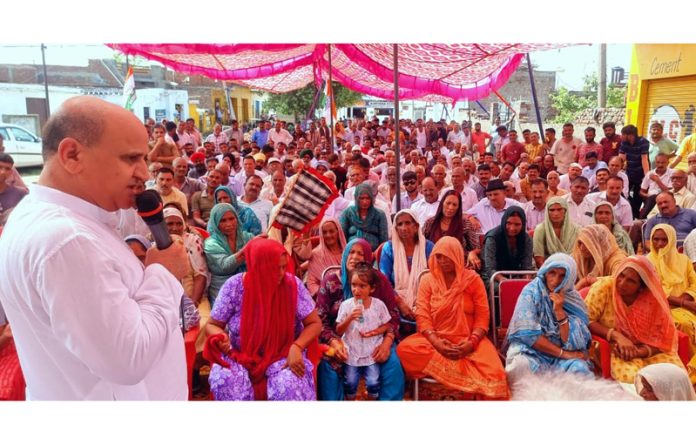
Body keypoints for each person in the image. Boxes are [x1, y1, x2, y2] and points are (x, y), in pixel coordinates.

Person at [0, 96, 189, 400]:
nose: (144, 173)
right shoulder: (66, 240)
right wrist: (163, 274)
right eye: (131, 159)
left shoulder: (49, 219)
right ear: (72, 155)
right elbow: (129, 358)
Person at [204, 238, 321, 400]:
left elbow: (314, 323)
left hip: (282, 354)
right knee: (226, 380)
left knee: (289, 384)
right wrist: (222, 337)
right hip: (240, 354)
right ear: (259, 267)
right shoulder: (234, 286)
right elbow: (212, 324)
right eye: (275, 268)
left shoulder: (292, 285)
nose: (282, 273)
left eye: (283, 267)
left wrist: (297, 346)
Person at [397, 237, 510, 399]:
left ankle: (454, 370)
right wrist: (437, 342)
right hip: (435, 340)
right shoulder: (427, 280)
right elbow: (422, 316)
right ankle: (468, 375)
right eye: (438, 256)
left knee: (495, 373)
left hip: (469, 340)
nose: (442, 261)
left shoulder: (472, 280)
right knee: (405, 350)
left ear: (457, 256)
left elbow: (482, 316)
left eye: (447, 256)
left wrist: (471, 343)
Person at [316, 238, 404, 400]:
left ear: (368, 260)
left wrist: (386, 342)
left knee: (392, 365)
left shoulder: (378, 281)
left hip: (376, 339)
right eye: (351, 252)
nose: (355, 257)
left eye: (361, 254)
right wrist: (334, 342)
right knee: (328, 365)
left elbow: (393, 316)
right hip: (341, 340)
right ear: (344, 255)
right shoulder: (330, 282)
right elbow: (320, 320)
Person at [585, 256, 685, 383]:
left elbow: (662, 339)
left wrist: (639, 352)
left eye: (631, 281)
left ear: (641, 287)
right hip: (616, 349)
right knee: (634, 380)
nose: (621, 283)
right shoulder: (604, 287)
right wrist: (617, 336)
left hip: (648, 350)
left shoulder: (652, 298)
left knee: (676, 377)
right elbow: (586, 320)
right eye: (621, 275)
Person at [505, 254, 593, 381]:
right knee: (519, 367)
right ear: (545, 272)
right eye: (552, 273)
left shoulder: (574, 302)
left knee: (579, 369)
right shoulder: (531, 292)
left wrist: (559, 311)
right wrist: (565, 354)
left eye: (563, 276)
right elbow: (527, 335)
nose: (556, 280)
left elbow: (570, 341)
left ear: (570, 278)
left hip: (561, 359)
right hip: (530, 352)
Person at [646, 224, 696, 383]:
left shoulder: (684, 260)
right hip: (660, 308)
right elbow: (655, 289)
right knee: (685, 324)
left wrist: (686, 299)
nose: (659, 244)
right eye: (656, 239)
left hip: (685, 305)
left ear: (672, 240)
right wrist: (682, 302)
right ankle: (689, 370)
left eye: (664, 240)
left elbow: (694, 283)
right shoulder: (647, 262)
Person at [336, 264, 392, 400]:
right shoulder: (346, 305)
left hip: (371, 352)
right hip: (352, 352)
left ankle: (373, 398)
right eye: (354, 285)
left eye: (362, 286)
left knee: (373, 382)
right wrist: (349, 318)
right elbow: (338, 330)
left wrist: (375, 332)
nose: (357, 290)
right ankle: (350, 398)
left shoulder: (378, 305)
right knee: (350, 382)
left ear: (372, 288)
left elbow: (387, 325)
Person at [379, 209, 434, 323]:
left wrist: (422, 303)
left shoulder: (428, 247)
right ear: (396, 229)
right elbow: (384, 280)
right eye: (399, 224)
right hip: (395, 302)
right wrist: (399, 302)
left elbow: (436, 278)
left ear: (416, 226)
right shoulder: (389, 248)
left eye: (408, 223)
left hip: (425, 300)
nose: (404, 228)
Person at [204, 203, 254, 305]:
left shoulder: (247, 237)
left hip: (248, 286)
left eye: (232, 218)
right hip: (222, 290)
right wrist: (250, 247)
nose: (229, 224)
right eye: (223, 221)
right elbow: (225, 266)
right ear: (215, 223)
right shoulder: (211, 244)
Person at [422, 190, 481, 269]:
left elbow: (477, 247)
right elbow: (421, 243)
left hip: (459, 266)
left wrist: (472, 253)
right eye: (448, 203)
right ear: (442, 203)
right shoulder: (430, 223)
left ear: (458, 207)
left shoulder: (465, 223)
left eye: (454, 205)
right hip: (434, 265)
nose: (450, 207)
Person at [483, 206, 534, 284]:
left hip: (515, 275)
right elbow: (489, 268)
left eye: (517, 224)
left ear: (523, 225)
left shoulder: (526, 239)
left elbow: (526, 267)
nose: (512, 228)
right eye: (509, 223)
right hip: (492, 277)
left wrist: (526, 282)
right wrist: (503, 281)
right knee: (503, 289)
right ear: (504, 221)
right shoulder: (493, 237)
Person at [571, 224, 627, 290]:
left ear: (598, 243)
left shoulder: (617, 260)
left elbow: (619, 281)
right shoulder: (581, 256)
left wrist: (587, 281)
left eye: (587, 243)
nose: (581, 248)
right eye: (580, 243)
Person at [533, 197, 581, 268]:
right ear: (547, 212)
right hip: (547, 269)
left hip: (573, 268)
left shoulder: (576, 229)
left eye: (559, 209)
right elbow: (539, 259)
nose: (555, 213)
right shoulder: (540, 229)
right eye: (552, 210)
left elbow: (580, 255)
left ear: (565, 211)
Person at [340, 183, 389, 251]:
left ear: (372, 199)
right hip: (351, 253)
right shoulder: (348, 213)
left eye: (368, 198)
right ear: (356, 198)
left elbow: (384, 240)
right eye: (361, 198)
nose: (365, 202)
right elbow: (341, 237)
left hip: (374, 254)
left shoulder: (379, 214)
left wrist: (375, 254)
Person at [306, 218, 347, 296]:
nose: (328, 235)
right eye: (324, 232)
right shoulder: (316, 254)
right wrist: (324, 294)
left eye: (331, 231)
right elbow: (311, 282)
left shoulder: (349, 252)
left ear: (338, 232)